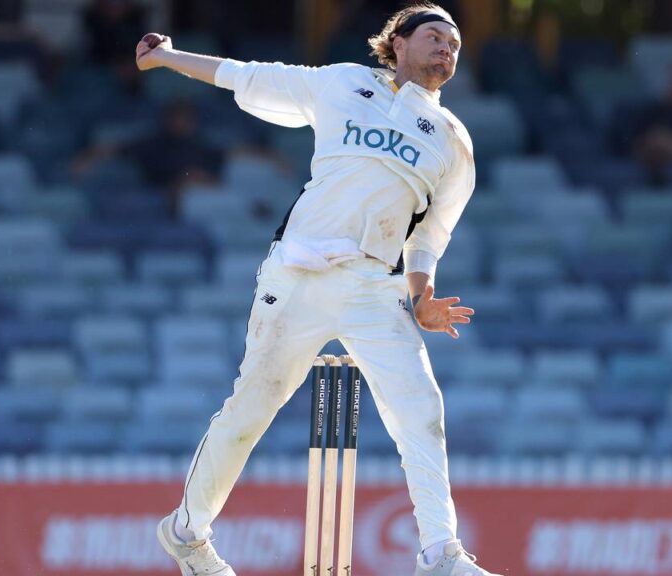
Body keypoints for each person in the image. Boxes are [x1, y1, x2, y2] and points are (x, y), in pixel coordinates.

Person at [135, 3, 499, 575]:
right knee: (251, 407)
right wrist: (168, 57)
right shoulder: (343, 84)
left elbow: (430, 235)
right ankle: (187, 534)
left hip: (375, 287)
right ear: (398, 43)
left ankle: (440, 556)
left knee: (421, 410)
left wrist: (422, 295)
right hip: (299, 274)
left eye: (454, 44)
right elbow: (248, 75)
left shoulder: (453, 141)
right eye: (434, 36)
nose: (446, 49)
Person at [71, 99, 224, 203]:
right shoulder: (153, 143)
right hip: (163, 195)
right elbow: (116, 149)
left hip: (204, 195)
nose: (181, 123)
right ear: (167, 120)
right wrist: (88, 157)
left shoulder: (202, 145)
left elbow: (220, 167)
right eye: (177, 118)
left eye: (186, 118)